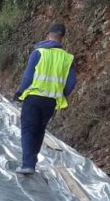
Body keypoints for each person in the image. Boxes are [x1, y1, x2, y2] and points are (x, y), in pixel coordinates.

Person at [14, 23, 77, 175]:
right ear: (62, 39)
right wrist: (61, 94)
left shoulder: (38, 53)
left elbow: (28, 76)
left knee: (29, 129)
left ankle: (28, 164)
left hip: (34, 97)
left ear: (48, 35)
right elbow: (71, 83)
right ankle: (32, 162)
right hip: (51, 101)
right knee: (40, 130)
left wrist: (20, 91)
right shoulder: (68, 58)